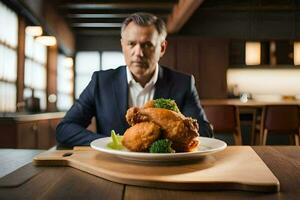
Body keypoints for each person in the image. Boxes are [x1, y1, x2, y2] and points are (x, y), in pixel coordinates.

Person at [56, 12, 213, 147]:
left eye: (147, 45)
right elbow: (65, 129)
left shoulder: (183, 83)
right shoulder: (101, 82)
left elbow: (204, 131)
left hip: (166, 170)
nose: (138, 53)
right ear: (122, 45)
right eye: (131, 44)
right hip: (111, 169)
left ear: (162, 48)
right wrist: (113, 142)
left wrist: (158, 144)